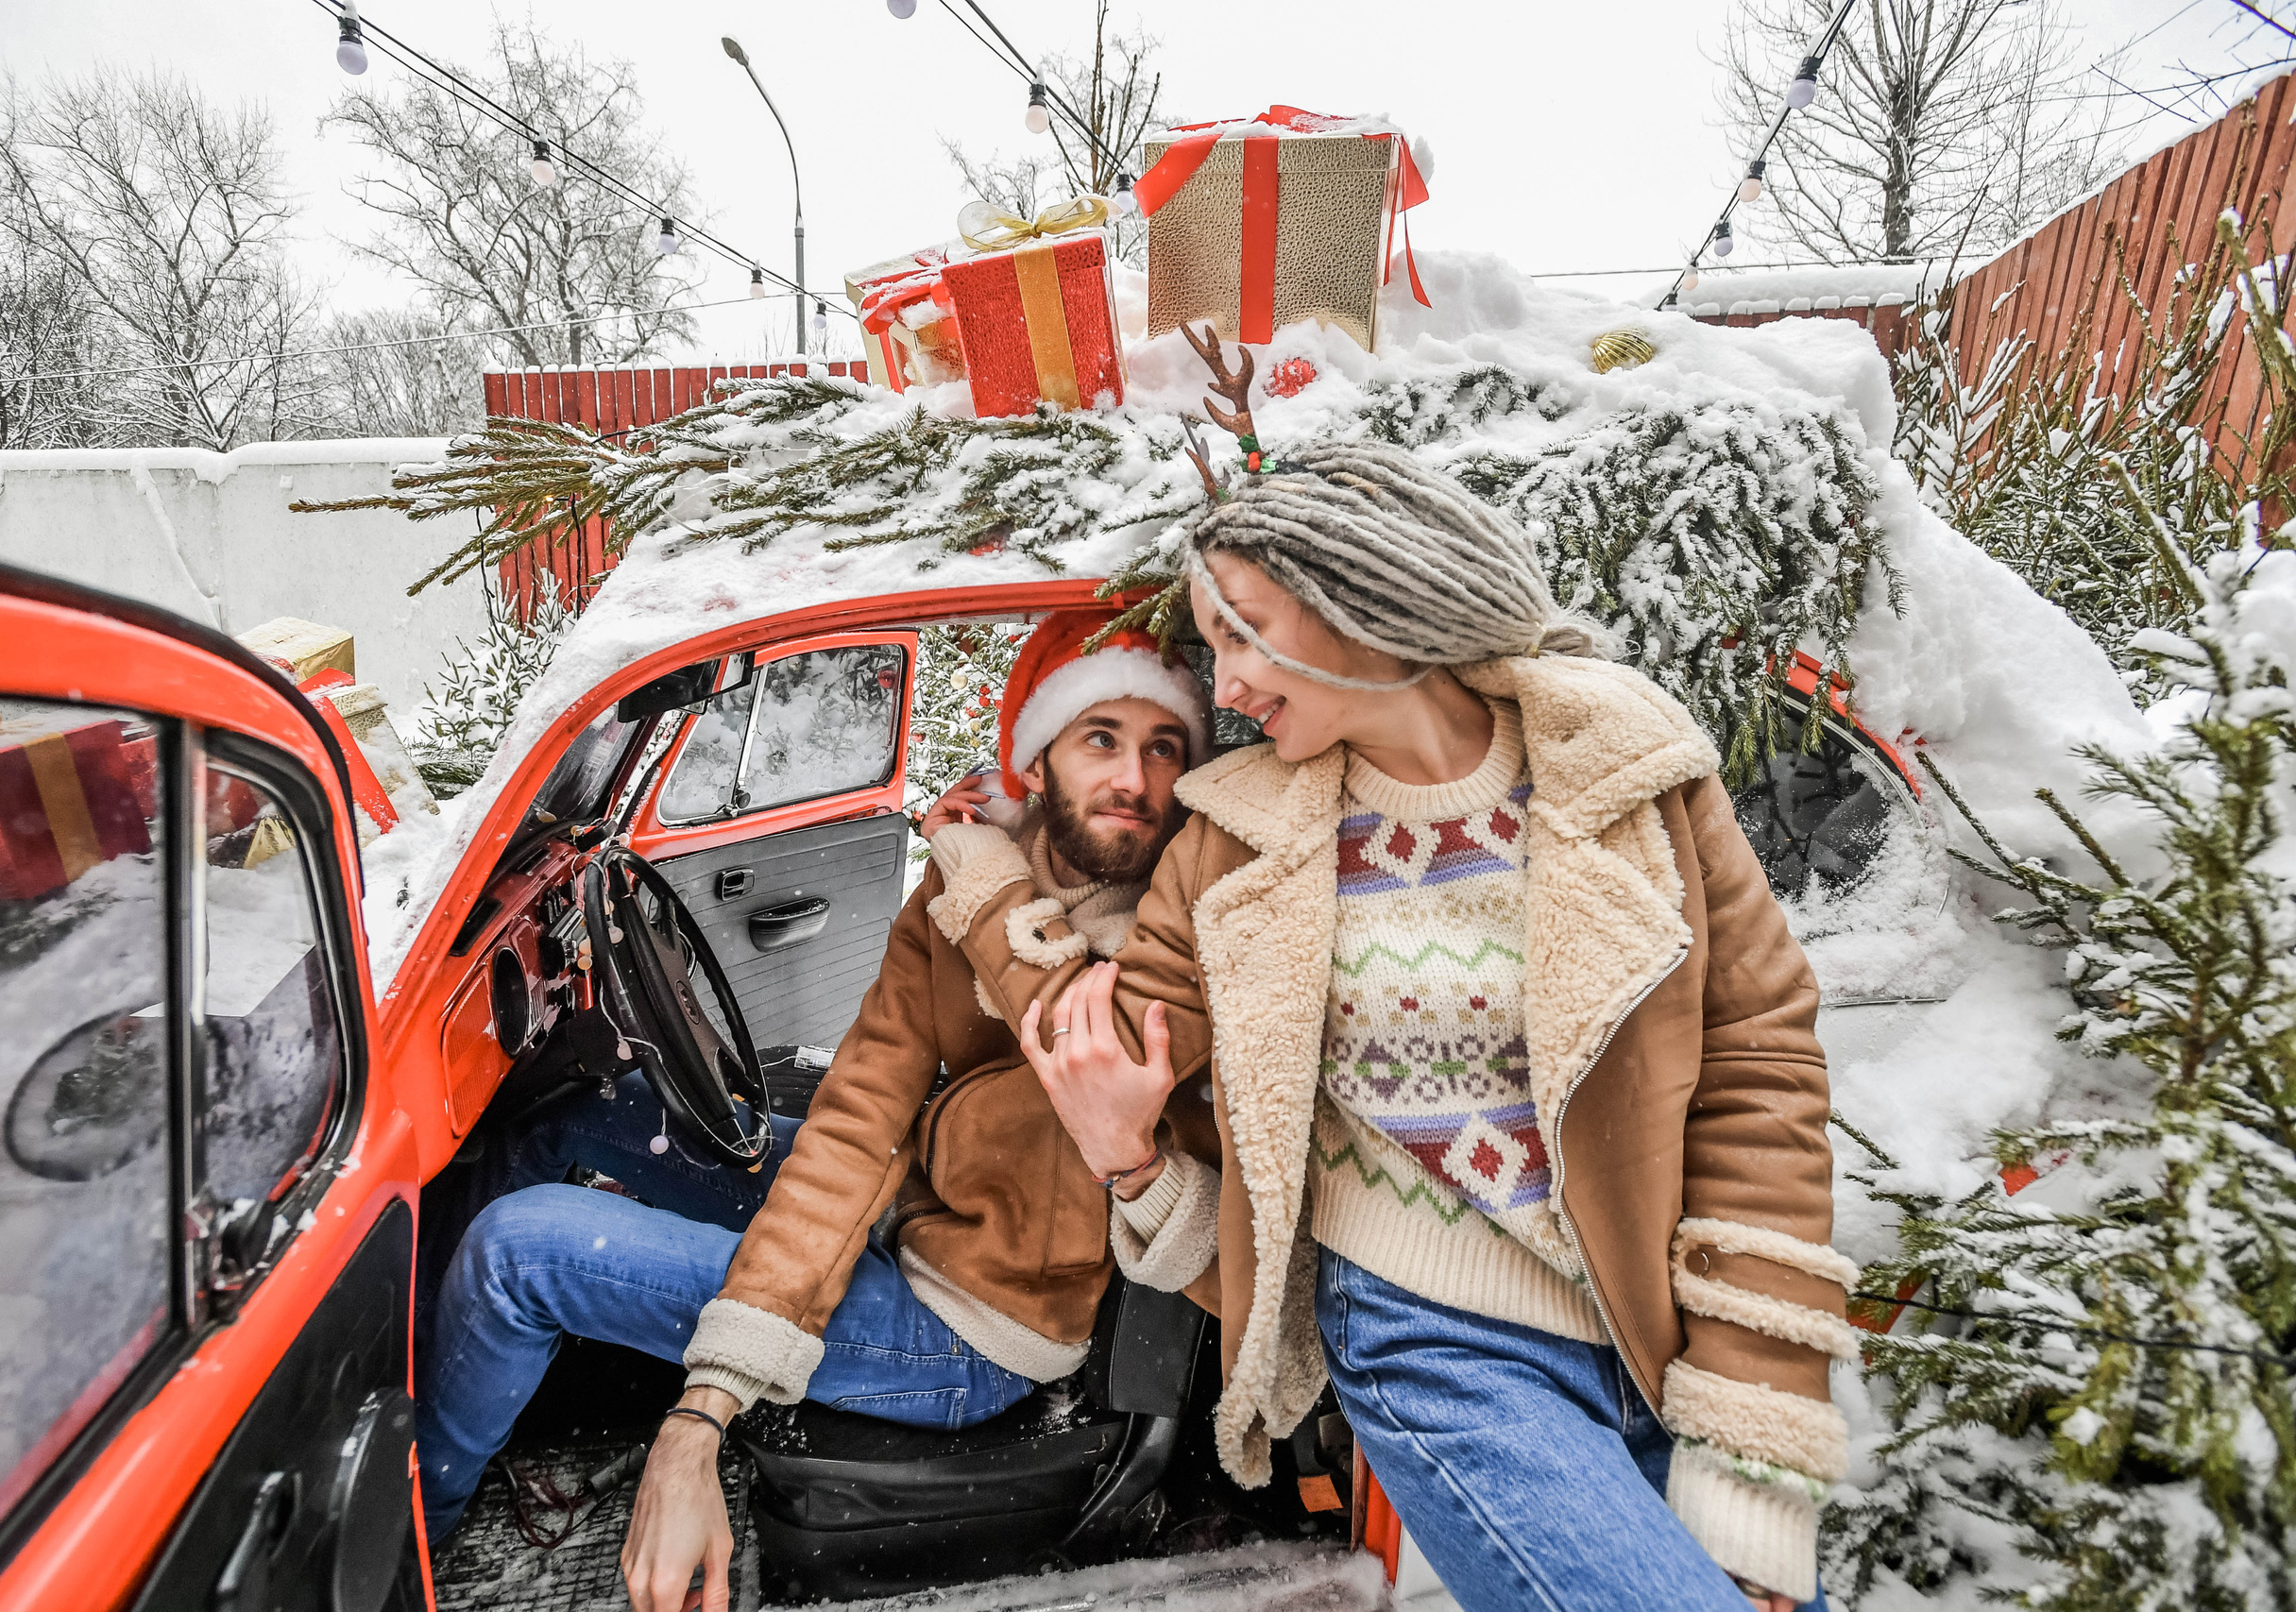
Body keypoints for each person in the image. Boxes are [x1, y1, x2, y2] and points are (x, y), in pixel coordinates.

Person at [920, 441, 1849, 1612]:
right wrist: (984, 874)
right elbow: (1099, 1040)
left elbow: (1758, 1075)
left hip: (1653, 1321)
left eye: (1242, 634)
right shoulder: (1234, 839)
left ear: (1366, 598)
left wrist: (1751, 1450)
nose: (1225, 686)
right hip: (1433, 1338)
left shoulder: (1630, 772)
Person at [411, 608, 1217, 1610]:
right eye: (1100, 737)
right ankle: (419, 1378)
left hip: (975, 1328)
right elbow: (859, 1117)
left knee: (519, 1252)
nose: (1135, 779)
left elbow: (1074, 1031)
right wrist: (975, 873)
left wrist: (699, 1415)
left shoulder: (1173, 934)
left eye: (1164, 747)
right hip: (912, 1208)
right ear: (1036, 756)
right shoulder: (970, 886)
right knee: (582, 1113)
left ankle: (409, 1536)